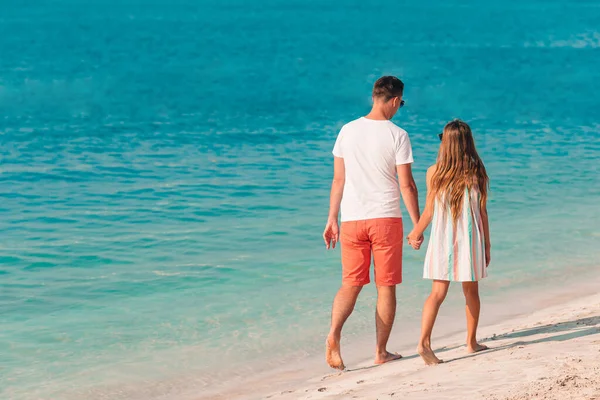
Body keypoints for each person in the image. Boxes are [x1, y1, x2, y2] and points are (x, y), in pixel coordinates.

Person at [323, 76, 422, 370]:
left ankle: (333, 334)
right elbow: (407, 186)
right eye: (400, 104)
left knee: (350, 284)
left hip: (351, 219)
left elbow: (338, 179)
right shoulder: (398, 135)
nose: (399, 108)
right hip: (385, 218)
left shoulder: (346, 130)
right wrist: (417, 224)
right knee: (386, 286)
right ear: (394, 100)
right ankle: (380, 351)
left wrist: (331, 218)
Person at [407, 119, 491, 365]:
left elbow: (429, 211)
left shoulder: (435, 172)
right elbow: (482, 212)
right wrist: (487, 244)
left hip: (442, 240)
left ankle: (424, 343)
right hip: (470, 240)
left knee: (436, 293)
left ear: (446, 143)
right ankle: (471, 342)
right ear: (468, 143)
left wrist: (415, 233)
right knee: (471, 291)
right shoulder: (477, 171)